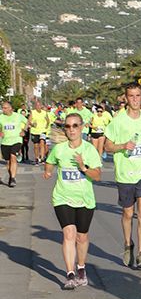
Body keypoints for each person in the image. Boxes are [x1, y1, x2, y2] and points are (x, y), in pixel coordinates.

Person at [43, 113, 102, 289]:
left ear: (81, 127)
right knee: (69, 233)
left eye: (75, 126)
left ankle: (81, 268)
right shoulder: (59, 149)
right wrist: (48, 171)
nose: (71, 129)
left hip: (84, 199)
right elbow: (50, 162)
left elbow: (97, 176)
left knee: (81, 237)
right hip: (62, 197)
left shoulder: (89, 149)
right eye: (68, 126)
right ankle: (70, 274)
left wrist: (83, 167)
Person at [105, 83, 141, 269]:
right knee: (128, 213)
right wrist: (123, 146)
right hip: (125, 173)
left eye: (138, 96)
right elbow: (107, 146)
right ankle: (128, 244)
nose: (135, 99)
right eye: (131, 96)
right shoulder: (118, 121)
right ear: (126, 98)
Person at [0, 100, 29, 187]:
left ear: (10, 108)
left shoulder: (18, 116)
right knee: (8, 162)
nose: (3, 109)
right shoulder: (1, 117)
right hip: (5, 142)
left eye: (5, 108)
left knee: (13, 157)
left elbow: (27, 122)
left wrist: (24, 131)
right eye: (2, 108)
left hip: (17, 140)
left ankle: (13, 178)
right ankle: (11, 176)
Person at [29, 100, 52, 165]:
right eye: (37, 105)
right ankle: (37, 158)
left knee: (42, 143)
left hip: (42, 131)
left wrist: (46, 125)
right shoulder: (33, 112)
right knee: (36, 146)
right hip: (35, 131)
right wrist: (32, 124)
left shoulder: (44, 112)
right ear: (35, 106)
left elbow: (48, 120)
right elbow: (29, 121)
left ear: (41, 106)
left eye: (39, 105)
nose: (38, 107)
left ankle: (42, 158)